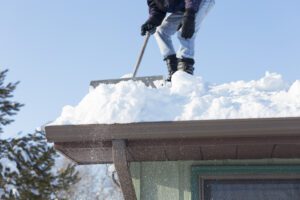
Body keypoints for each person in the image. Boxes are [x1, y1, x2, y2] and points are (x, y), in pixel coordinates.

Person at [141, 0, 215, 81]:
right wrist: (152, 21)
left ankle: (185, 70)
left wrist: (189, 16)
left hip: (200, 2)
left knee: (185, 31)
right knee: (161, 31)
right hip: (184, 8)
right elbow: (157, 9)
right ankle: (174, 69)